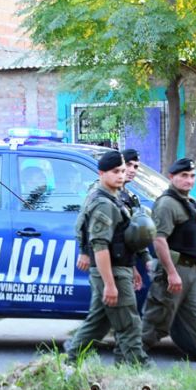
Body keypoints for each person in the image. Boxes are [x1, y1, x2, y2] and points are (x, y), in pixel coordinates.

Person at [140, 158, 196, 372]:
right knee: (157, 319)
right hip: (174, 270)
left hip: (191, 271)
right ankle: (133, 356)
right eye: (183, 176)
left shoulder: (188, 202)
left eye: (192, 176)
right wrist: (171, 273)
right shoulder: (166, 204)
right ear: (171, 177)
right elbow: (159, 240)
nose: (189, 180)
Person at [64, 150, 150, 365]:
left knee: (99, 323)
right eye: (115, 172)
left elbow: (124, 240)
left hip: (120, 267)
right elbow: (100, 246)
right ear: (101, 173)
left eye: (123, 171)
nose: (121, 175)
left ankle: (71, 360)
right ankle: (138, 368)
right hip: (111, 271)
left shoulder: (118, 197)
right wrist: (110, 284)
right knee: (129, 324)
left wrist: (133, 268)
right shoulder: (103, 203)